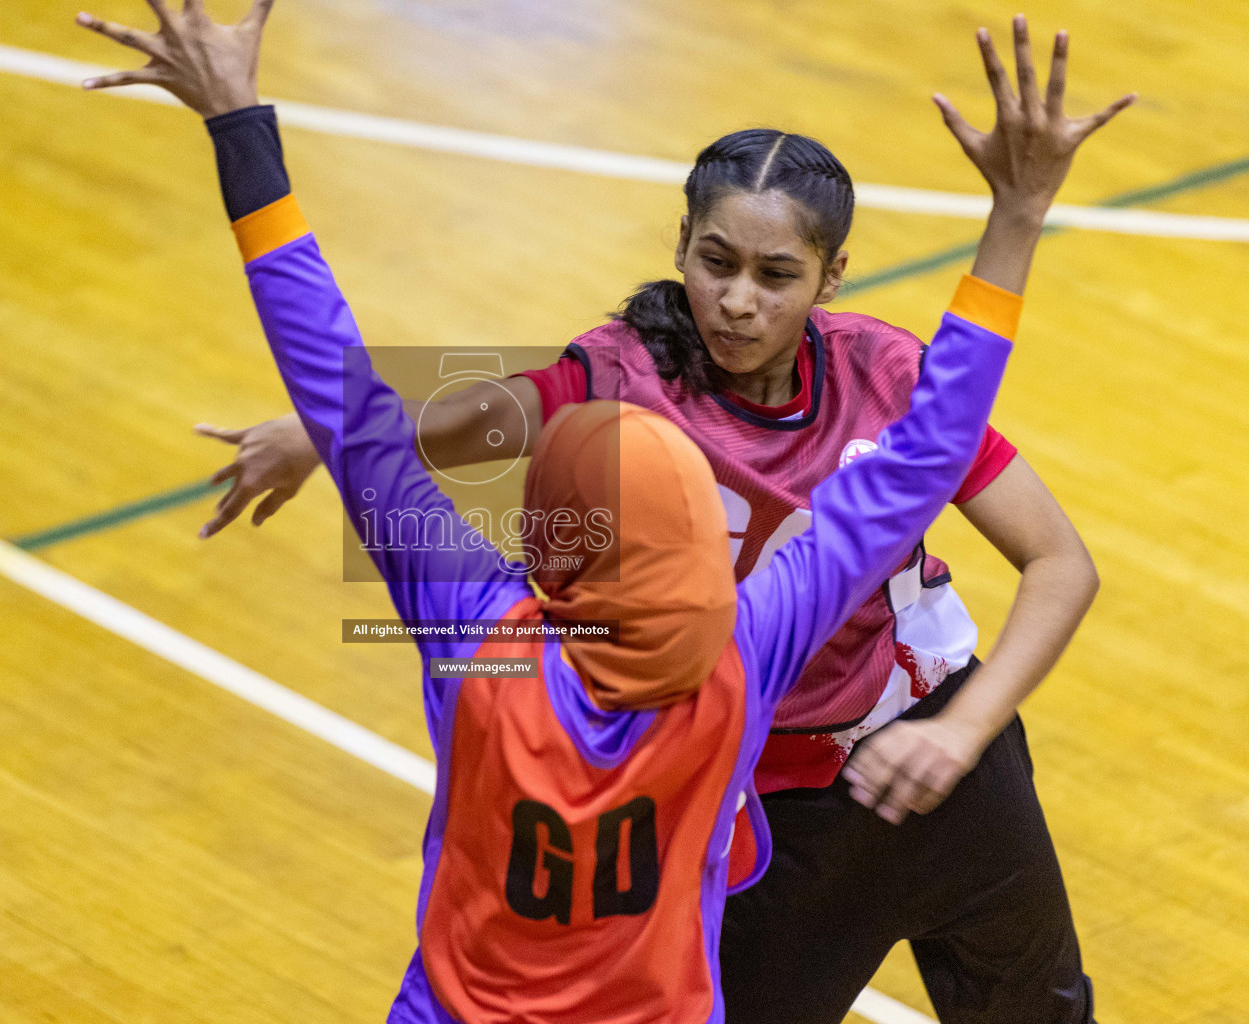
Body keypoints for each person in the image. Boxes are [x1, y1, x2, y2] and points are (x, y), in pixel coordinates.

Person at [76, 3, 1093, 1021]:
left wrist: (339, 430)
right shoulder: (740, 663)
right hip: (780, 815)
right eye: (716, 263)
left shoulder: (480, 649)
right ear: (703, 544)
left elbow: (365, 407)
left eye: (773, 276)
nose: (738, 300)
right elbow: (918, 461)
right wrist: (1017, 216)